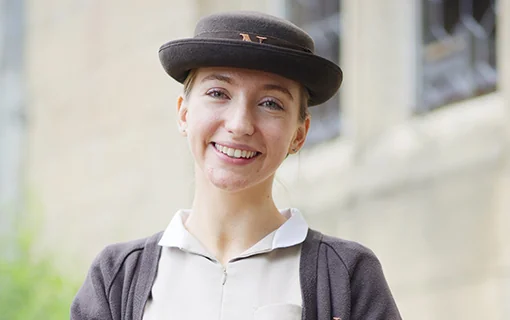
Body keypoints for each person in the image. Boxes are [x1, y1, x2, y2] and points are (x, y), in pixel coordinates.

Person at [71, 11, 401, 320]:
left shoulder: (346, 275)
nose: (240, 124)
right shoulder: (116, 277)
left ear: (299, 135)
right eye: (218, 93)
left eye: (270, 103)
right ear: (184, 114)